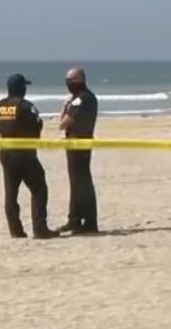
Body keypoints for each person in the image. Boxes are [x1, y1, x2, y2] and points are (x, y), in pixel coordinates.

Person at [0, 74, 59, 239]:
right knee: (39, 189)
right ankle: (40, 228)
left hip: (6, 153)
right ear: (21, 88)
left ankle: (15, 230)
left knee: (11, 191)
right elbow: (36, 130)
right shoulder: (26, 106)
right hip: (25, 153)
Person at [59, 67, 99, 235]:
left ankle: (86, 221)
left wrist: (65, 105)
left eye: (70, 80)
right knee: (78, 182)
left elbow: (63, 123)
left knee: (81, 183)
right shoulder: (87, 97)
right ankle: (75, 219)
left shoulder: (81, 99)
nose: (67, 84)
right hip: (79, 143)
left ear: (78, 80)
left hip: (78, 144)